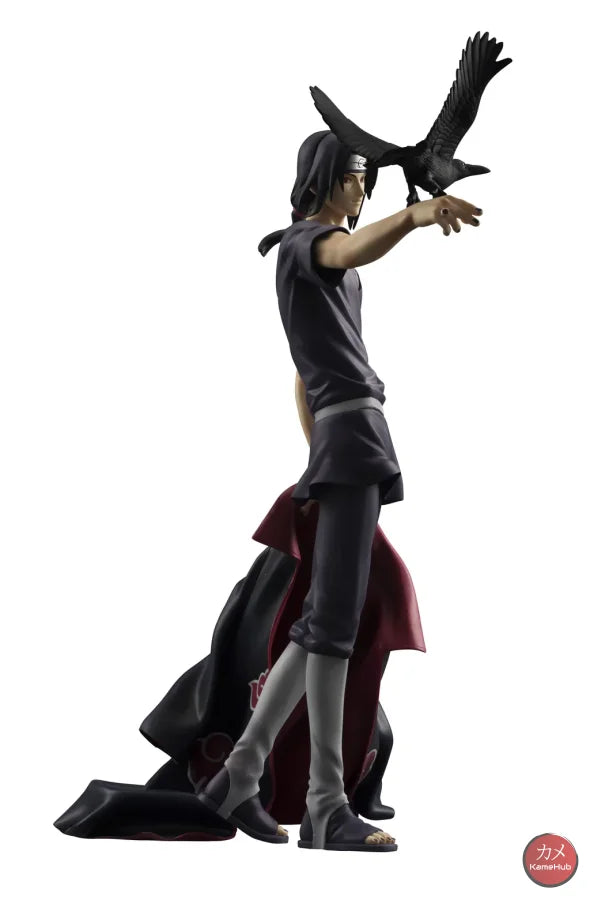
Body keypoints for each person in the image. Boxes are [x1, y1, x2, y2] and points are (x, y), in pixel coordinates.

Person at [198, 130, 481, 851]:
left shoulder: (329, 265)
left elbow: (303, 371)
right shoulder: (305, 245)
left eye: (366, 178)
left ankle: (239, 776)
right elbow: (347, 251)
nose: (364, 187)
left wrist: (317, 448)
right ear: (323, 178)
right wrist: (414, 217)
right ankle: (323, 804)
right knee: (331, 626)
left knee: (327, 622)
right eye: (356, 175)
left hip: (350, 438)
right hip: (350, 437)